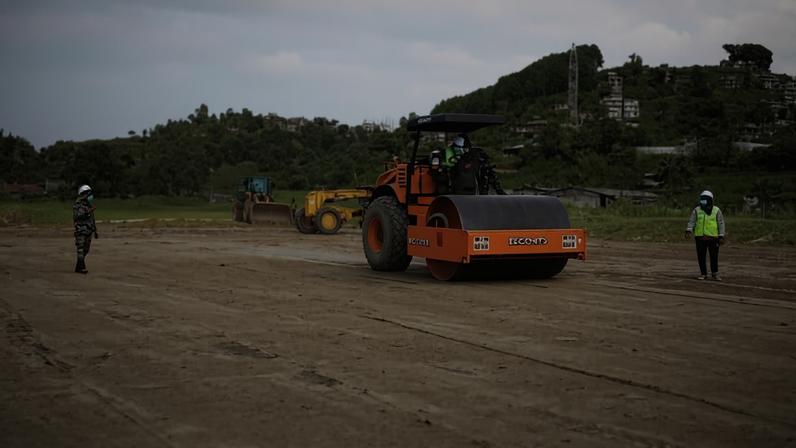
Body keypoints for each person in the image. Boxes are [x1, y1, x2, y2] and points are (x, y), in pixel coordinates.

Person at [685, 190, 725, 280]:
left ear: (710, 200)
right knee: (701, 256)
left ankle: (715, 273)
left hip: (713, 238)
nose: (703, 201)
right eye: (702, 199)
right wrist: (688, 230)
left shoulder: (716, 210)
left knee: (714, 256)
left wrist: (721, 235)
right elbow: (692, 221)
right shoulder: (697, 210)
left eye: (705, 199)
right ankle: (703, 273)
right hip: (700, 237)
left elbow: (721, 223)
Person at [73, 184, 98, 274]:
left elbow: (92, 218)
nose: (91, 196)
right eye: (89, 194)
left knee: (86, 249)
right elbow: (77, 216)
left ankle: (78, 266)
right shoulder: (78, 204)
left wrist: (95, 230)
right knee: (80, 249)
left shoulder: (89, 204)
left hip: (88, 230)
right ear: (84, 194)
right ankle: (82, 267)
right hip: (81, 230)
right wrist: (89, 211)